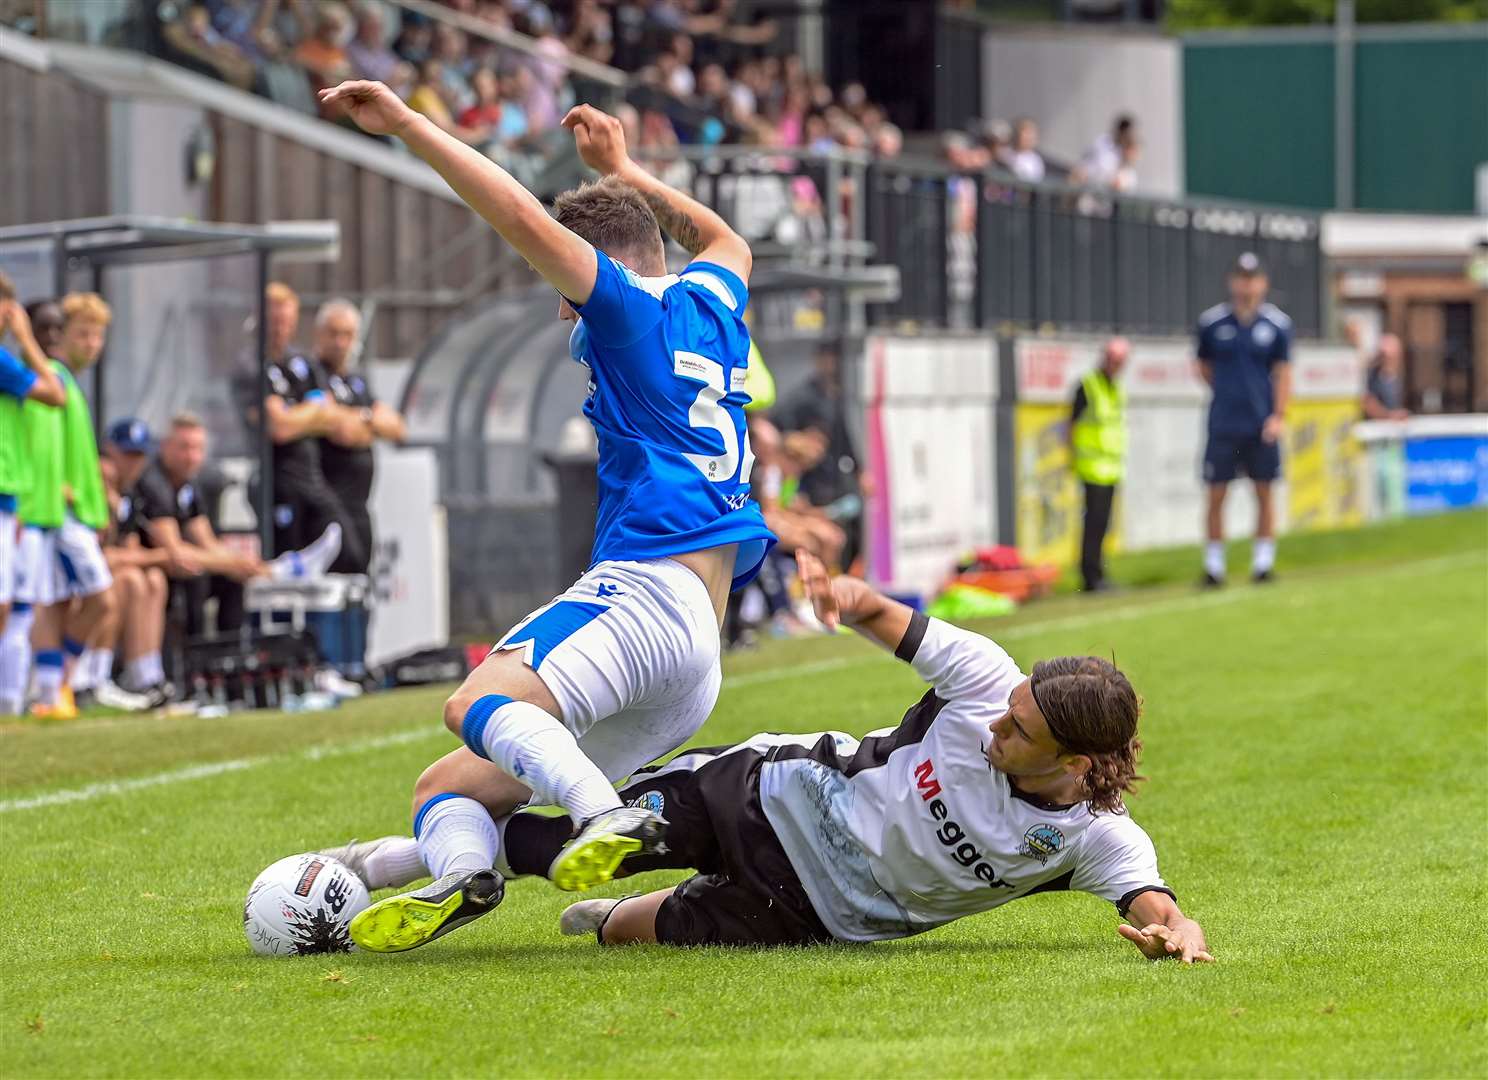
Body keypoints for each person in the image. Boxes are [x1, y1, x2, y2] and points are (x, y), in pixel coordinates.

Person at [317, 80, 772, 953]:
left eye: (565, 288)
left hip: (645, 595)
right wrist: (627, 168)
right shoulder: (714, 301)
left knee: (472, 702)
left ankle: (604, 815)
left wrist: (412, 122)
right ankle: (452, 873)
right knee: (448, 785)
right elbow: (725, 238)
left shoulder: (626, 307)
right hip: (699, 652)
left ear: (598, 265)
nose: (564, 308)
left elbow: (522, 220)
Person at [333, 552, 1212, 963]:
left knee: (611, 931)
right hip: (768, 794)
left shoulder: (1094, 839)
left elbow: (1161, 906)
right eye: (1008, 713)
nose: (996, 729)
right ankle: (389, 866)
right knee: (572, 845)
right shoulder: (986, 681)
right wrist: (845, 593)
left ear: (1080, 762)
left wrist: (1175, 937)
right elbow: (887, 617)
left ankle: (606, 904)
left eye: (1019, 736)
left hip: (807, 916)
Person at [17, 293, 118, 719]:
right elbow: (41, 445)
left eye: (97, 336)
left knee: (54, 602)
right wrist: (58, 489)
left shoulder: (70, 383)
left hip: (73, 514)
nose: (90, 343)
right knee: (97, 599)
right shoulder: (53, 378)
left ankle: (54, 689)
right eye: (83, 334)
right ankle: (53, 685)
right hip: (55, 513)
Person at [1195, 253, 1292, 586]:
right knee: (1216, 494)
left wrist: (1277, 415)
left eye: (1252, 278)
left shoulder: (1277, 326)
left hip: (1259, 425)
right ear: (1232, 281)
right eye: (1241, 277)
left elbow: (1283, 374)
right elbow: (1204, 368)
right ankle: (1214, 566)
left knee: (1263, 493)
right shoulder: (1212, 324)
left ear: (1262, 283)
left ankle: (1263, 563)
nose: (1246, 285)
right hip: (1223, 424)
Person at [262, 284, 366, 574]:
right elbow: (279, 427)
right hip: (279, 482)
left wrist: (301, 414)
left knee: (351, 558)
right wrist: (313, 413)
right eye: (275, 321)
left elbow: (335, 416)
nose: (281, 329)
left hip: (313, 481)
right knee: (294, 568)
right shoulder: (252, 365)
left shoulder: (299, 363)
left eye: (287, 322)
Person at [312, 298, 407, 576]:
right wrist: (370, 423)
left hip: (360, 503)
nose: (341, 342)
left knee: (362, 578)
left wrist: (362, 419)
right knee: (342, 567)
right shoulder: (313, 374)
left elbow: (397, 427)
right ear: (319, 334)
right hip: (330, 500)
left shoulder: (357, 381)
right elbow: (343, 431)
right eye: (334, 333)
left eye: (347, 335)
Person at [0, 293, 66, 656]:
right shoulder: (2, 362)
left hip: (11, 497)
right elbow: (55, 394)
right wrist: (25, 339)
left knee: (13, 604)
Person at [98, 419, 175, 707]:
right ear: (109, 451)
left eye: (139, 455)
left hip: (108, 574)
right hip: (73, 583)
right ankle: (95, 677)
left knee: (153, 578)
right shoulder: (96, 488)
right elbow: (104, 558)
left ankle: (145, 674)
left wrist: (155, 558)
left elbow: (129, 551)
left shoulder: (129, 495)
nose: (134, 463)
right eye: (127, 454)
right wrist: (162, 555)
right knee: (129, 579)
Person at [1068, 338, 1129, 593]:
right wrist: (1070, 456)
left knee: (1102, 524)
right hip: (1092, 466)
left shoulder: (1116, 388)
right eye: (1112, 359)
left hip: (1110, 467)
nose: (1115, 365)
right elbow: (1071, 423)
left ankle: (1098, 573)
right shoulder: (1088, 385)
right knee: (1093, 524)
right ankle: (1090, 577)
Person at [1362, 333, 1410, 420]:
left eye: (1391, 356)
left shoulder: (1407, 375)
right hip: (1378, 428)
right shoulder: (1372, 376)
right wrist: (1389, 415)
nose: (1387, 359)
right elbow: (1367, 401)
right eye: (1384, 355)